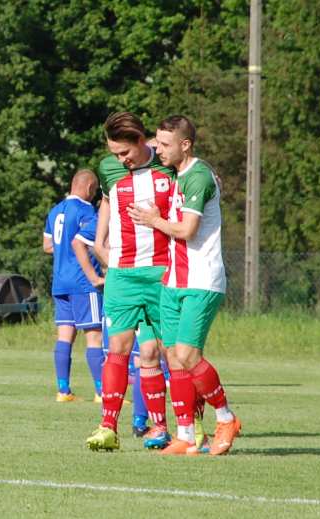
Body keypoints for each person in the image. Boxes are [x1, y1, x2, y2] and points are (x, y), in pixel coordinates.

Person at [128, 115, 240, 455]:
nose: (157, 149)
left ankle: (226, 417)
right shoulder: (180, 175)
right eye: (156, 143)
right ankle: (187, 435)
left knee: (188, 355)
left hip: (201, 280)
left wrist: (153, 220)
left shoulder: (199, 177)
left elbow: (188, 230)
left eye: (164, 144)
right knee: (173, 357)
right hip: (173, 280)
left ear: (185, 145)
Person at [84, 112, 175, 451]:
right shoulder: (109, 169)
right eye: (114, 154)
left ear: (141, 141)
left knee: (162, 351)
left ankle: (169, 426)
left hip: (161, 272)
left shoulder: (169, 166)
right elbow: (108, 199)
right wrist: (99, 241)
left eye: (125, 153)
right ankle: (108, 426)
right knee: (118, 349)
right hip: (122, 273)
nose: (120, 160)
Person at [75, 214, 151, 434]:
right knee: (140, 357)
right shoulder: (121, 206)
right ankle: (137, 423)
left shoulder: (118, 204)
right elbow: (80, 241)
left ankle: (110, 423)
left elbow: (86, 242)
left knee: (123, 357)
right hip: (131, 285)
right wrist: (112, 267)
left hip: (120, 286)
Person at [43, 169, 105, 402]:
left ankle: (63, 390)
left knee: (65, 336)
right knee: (94, 336)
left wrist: (65, 251)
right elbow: (92, 243)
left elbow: (47, 246)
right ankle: (101, 392)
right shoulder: (87, 211)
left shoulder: (55, 210)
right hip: (83, 282)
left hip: (60, 281)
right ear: (90, 188)